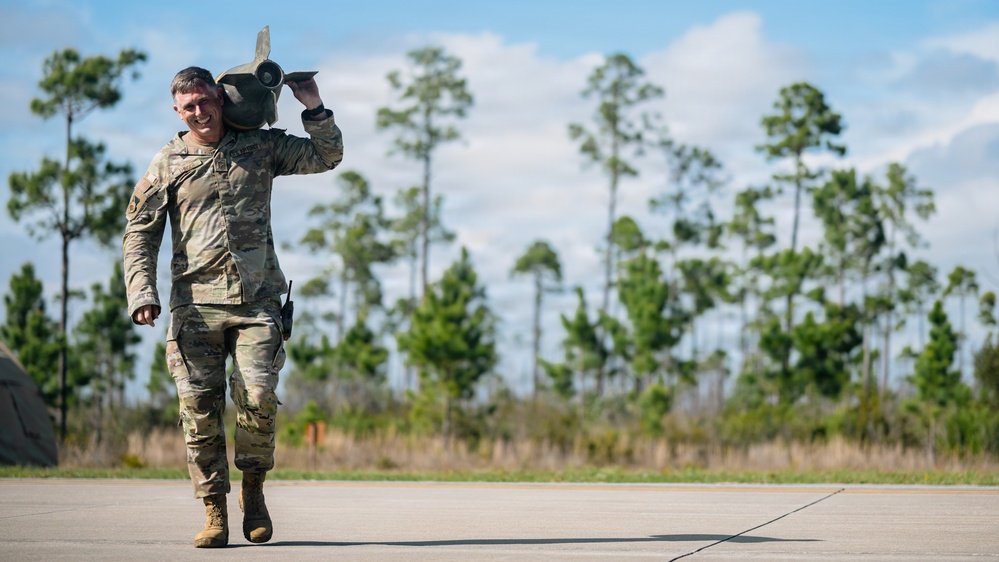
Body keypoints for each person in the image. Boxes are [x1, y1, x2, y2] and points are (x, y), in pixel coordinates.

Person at [122, 66, 343, 548]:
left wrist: (313, 106)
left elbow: (328, 157)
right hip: (194, 308)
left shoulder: (260, 147)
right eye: (188, 106)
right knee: (198, 412)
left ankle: (255, 489)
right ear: (176, 111)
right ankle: (214, 512)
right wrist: (142, 291)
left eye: (204, 100)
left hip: (257, 302)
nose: (199, 111)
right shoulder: (168, 162)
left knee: (258, 399)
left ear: (219, 97)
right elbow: (140, 232)